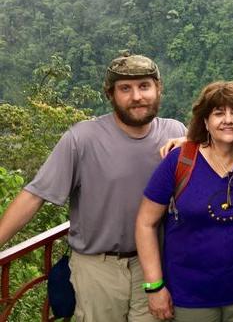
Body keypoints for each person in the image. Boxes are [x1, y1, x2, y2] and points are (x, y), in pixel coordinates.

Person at [0, 53, 186, 322]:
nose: (137, 96)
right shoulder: (82, 138)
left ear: (158, 89)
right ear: (110, 94)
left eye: (144, 86)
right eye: (125, 88)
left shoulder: (174, 133)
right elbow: (34, 195)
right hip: (98, 267)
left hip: (154, 266)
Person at [136, 81, 233, 322]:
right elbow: (146, 223)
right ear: (205, 122)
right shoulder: (180, 161)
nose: (228, 120)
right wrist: (154, 286)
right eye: (218, 113)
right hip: (190, 296)